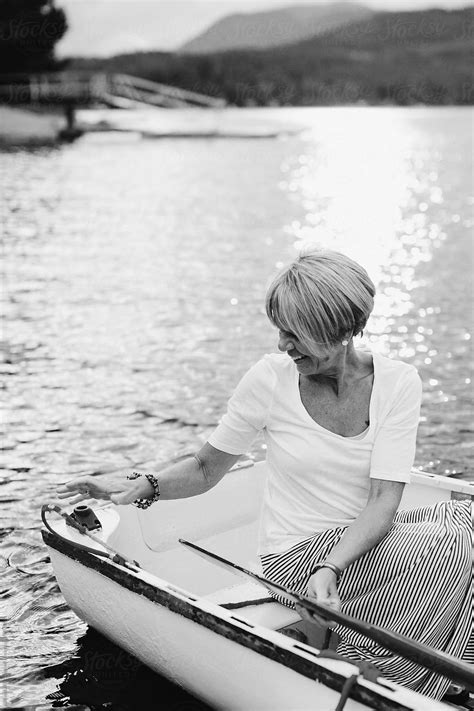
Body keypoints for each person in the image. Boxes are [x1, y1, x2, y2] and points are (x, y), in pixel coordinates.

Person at [58, 248, 473, 701]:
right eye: (280, 331)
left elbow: (383, 502)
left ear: (337, 330)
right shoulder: (269, 379)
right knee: (443, 543)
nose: (282, 345)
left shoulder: (398, 382)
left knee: (464, 522)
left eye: (295, 334)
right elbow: (204, 467)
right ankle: (398, 674)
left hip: (358, 549)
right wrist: (148, 484)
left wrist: (332, 567)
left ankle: (418, 660)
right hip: (294, 558)